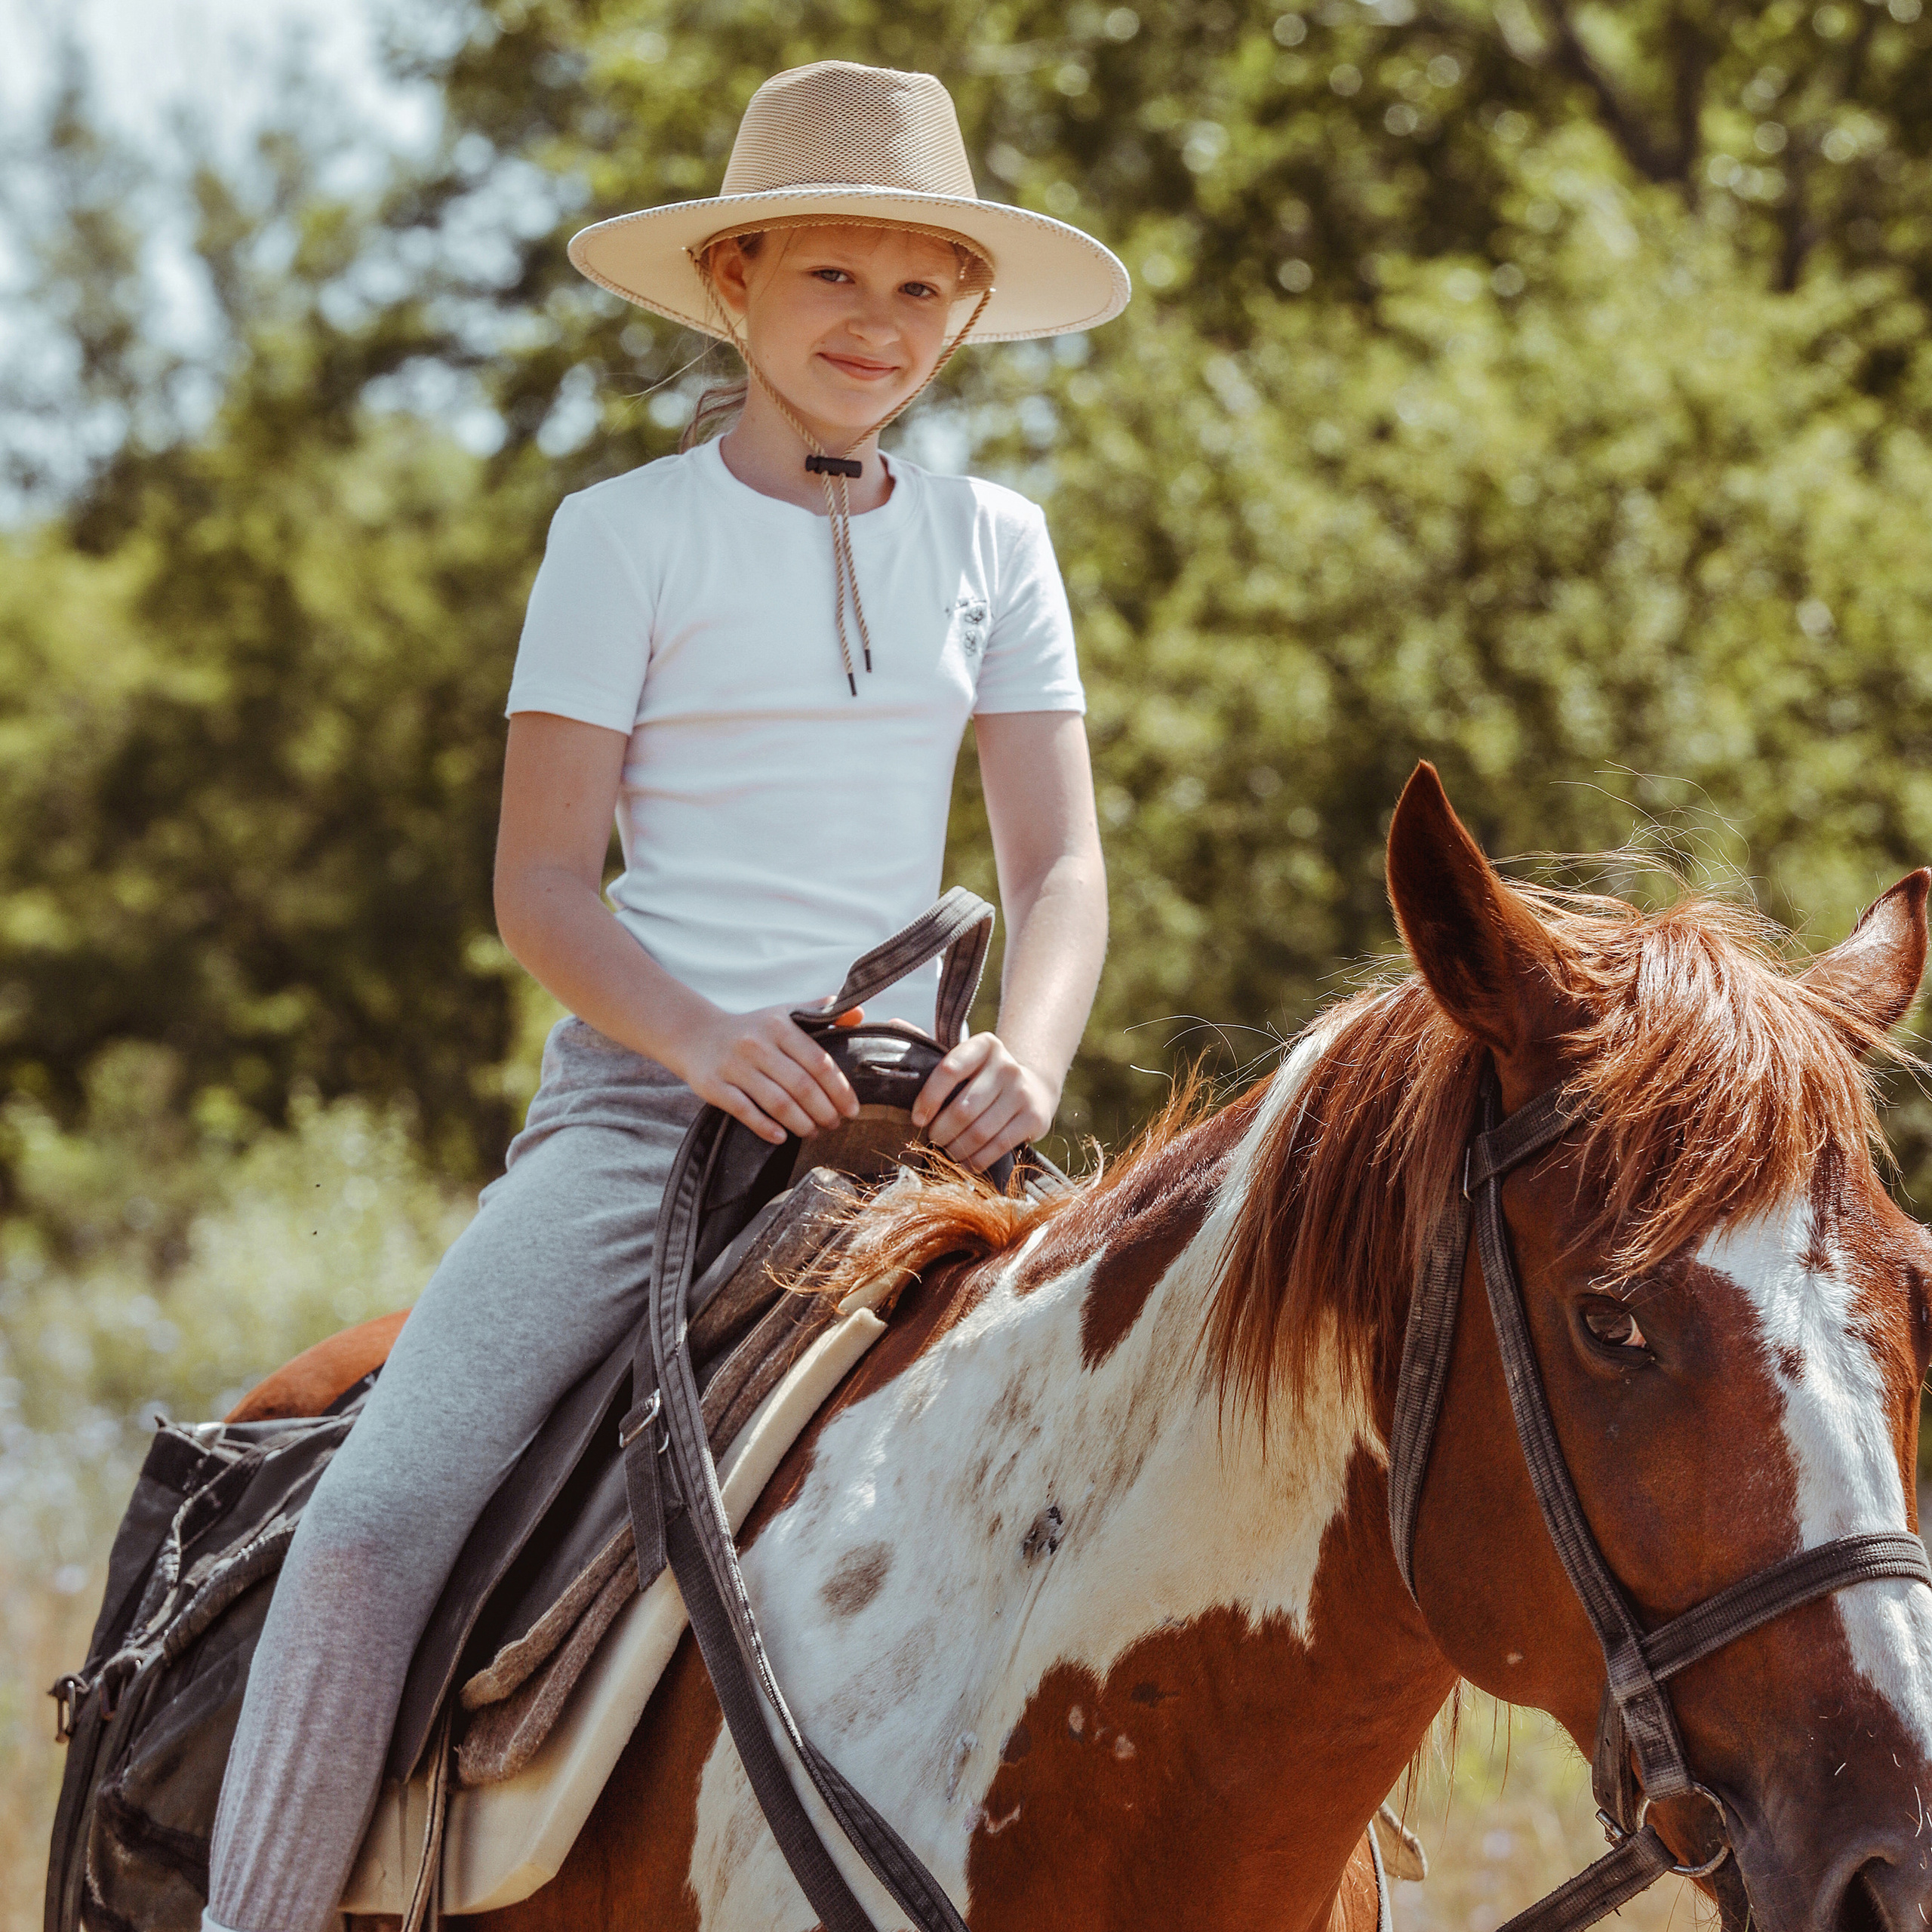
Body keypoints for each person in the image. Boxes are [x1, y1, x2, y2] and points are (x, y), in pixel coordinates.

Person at [202, 58, 1127, 1932]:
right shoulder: (621, 534)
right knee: (378, 1526)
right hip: (648, 1116)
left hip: (912, 1128)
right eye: (831, 280)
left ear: (963, 310)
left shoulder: (996, 543)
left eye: (922, 288)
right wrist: (704, 1033)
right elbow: (539, 886)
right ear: (734, 282)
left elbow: (1059, 872)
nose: (879, 325)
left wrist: (1026, 1051)